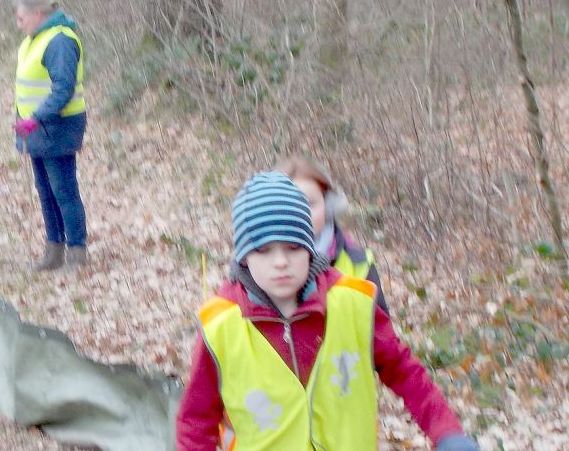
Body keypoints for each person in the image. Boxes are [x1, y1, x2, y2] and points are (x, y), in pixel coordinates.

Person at [176, 171, 479, 451]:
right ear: (242, 257)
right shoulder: (221, 327)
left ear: (310, 248)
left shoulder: (353, 304)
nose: (280, 262)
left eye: (293, 248)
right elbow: (196, 421)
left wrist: (445, 430)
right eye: (264, 250)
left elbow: (404, 370)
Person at [12, 0, 88, 271]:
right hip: (35, 129)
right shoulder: (33, 41)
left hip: (59, 126)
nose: (19, 25)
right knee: (45, 191)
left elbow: (63, 89)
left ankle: (76, 252)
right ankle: (53, 250)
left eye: (21, 19)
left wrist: (35, 117)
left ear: (38, 14)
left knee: (64, 191)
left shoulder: (60, 41)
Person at [275, 155, 389, 312]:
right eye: (289, 206)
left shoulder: (358, 264)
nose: (301, 214)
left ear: (328, 206)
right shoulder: (253, 264)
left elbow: (380, 329)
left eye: (309, 204)